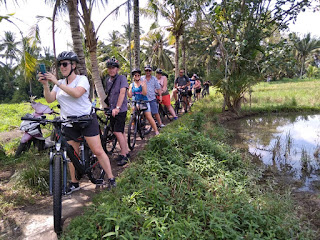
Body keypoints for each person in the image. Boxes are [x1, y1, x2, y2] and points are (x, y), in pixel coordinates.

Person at [38, 51, 116, 193]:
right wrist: (46, 85)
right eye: (60, 65)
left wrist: (55, 81)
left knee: (97, 150)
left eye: (65, 64)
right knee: (72, 154)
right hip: (68, 122)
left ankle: (111, 178)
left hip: (86, 120)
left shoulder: (82, 79)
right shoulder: (60, 83)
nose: (62, 67)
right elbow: (50, 99)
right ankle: (74, 182)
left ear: (73, 65)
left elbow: (76, 93)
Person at [104, 57, 130, 166]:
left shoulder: (122, 78)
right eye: (109, 68)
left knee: (117, 132)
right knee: (120, 132)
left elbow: (122, 93)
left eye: (113, 68)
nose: (111, 70)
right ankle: (126, 151)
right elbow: (109, 96)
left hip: (121, 110)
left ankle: (124, 155)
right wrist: (108, 108)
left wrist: (118, 107)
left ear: (117, 69)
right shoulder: (107, 80)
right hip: (112, 110)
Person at [128, 68, 159, 135]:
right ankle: (133, 125)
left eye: (138, 75)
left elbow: (145, 93)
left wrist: (143, 87)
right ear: (133, 76)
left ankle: (156, 131)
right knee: (133, 113)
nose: (137, 76)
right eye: (135, 75)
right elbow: (130, 96)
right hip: (135, 102)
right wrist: (127, 90)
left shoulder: (143, 83)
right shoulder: (131, 85)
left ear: (140, 76)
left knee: (148, 116)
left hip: (143, 101)